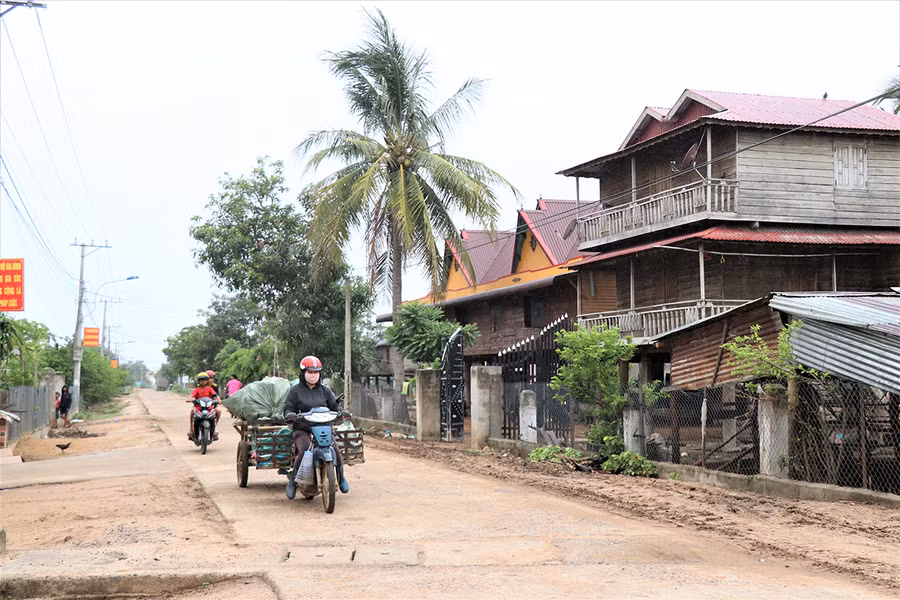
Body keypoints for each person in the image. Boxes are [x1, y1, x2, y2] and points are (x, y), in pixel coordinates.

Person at [282, 355, 348, 499]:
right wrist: (291, 414)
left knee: (335, 448)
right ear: (303, 373)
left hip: (323, 427)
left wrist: (341, 412)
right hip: (302, 428)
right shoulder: (295, 391)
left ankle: (341, 477)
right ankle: (293, 482)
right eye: (310, 372)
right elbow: (287, 408)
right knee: (305, 449)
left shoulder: (325, 390)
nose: (313, 375)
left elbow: (334, 406)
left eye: (316, 372)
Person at [188, 372, 219, 441]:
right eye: (201, 380)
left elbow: (215, 395)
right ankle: (191, 428)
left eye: (204, 380)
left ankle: (214, 429)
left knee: (217, 411)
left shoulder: (210, 388)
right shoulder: (197, 389)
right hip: (198, 407)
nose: (203, 381)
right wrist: (191, 399)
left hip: (209, 407)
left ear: (207, 380)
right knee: (192, 411)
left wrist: (219, 400)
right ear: (199, 381)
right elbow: (192, 395)